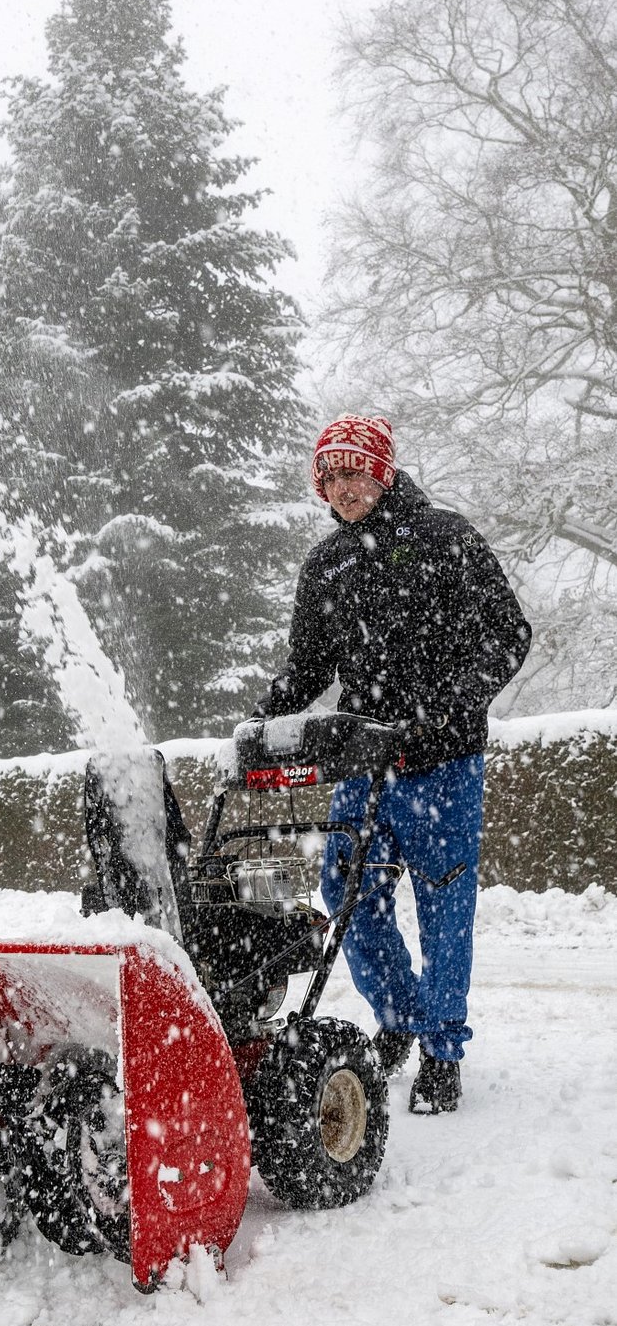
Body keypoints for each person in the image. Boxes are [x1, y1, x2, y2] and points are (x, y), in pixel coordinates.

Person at [255, 414, 531, 1113]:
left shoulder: (446, 538)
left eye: (353, 471)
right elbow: (309, 669)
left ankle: (442, 1049)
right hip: (365, 760)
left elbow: (509, 634)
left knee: (444, 906)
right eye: (331, 477)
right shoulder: (327, 565)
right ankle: (401, 1015)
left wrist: (448, 706)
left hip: (444, 763)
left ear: (382, 470)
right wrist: (264, 717)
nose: (343, 487)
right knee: (348, 895)